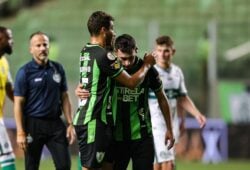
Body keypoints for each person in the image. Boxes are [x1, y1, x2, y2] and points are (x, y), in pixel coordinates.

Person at [75, 34, 175, 170]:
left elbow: (162, 98)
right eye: (123, 59)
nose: (127, 63)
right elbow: (92, 83)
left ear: (136, 50)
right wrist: (79, 88)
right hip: (115, 137)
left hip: (142, 136)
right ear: (115, 53)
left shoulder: (148, 70)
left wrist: (169, 128)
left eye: (130, 58)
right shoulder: (111, 69)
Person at [73, 11, 156, 170]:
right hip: (94, 120)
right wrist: (147, 64)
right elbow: (131, 82)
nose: (114, 33)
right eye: (112, 28)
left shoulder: (86, 51)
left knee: (105, 167)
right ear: (104, 30)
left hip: (92, 119)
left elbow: (92, 80)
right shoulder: (104, 56)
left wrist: (80, 88)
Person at [14, 31, 75, 170]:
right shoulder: (24, 72)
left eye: (45, 45)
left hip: (55, 123)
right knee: (31, 166)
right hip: (32, 125)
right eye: (38, 45)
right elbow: (18, 103)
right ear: (31, 49)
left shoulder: (58, 68)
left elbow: (64, 97)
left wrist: (70, 123)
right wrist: (20, 132)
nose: (42, 48)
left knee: (65, 165)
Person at [148, 35, 207, 170]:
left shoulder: (177, 72)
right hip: (155, 124)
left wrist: (196, 115)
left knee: (159, 164)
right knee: (168, 163)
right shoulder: (151, 72)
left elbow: (182, 98)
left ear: (173, 51)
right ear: (155, 52)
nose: (163, 54)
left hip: (172, 124)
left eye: (166, 50)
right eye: (160, 50)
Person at [0, 26, 16, 170]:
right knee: (7, 158)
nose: (12, 41)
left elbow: (10, 89)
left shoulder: (4, 62)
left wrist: (27, 106)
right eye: (9, 38)